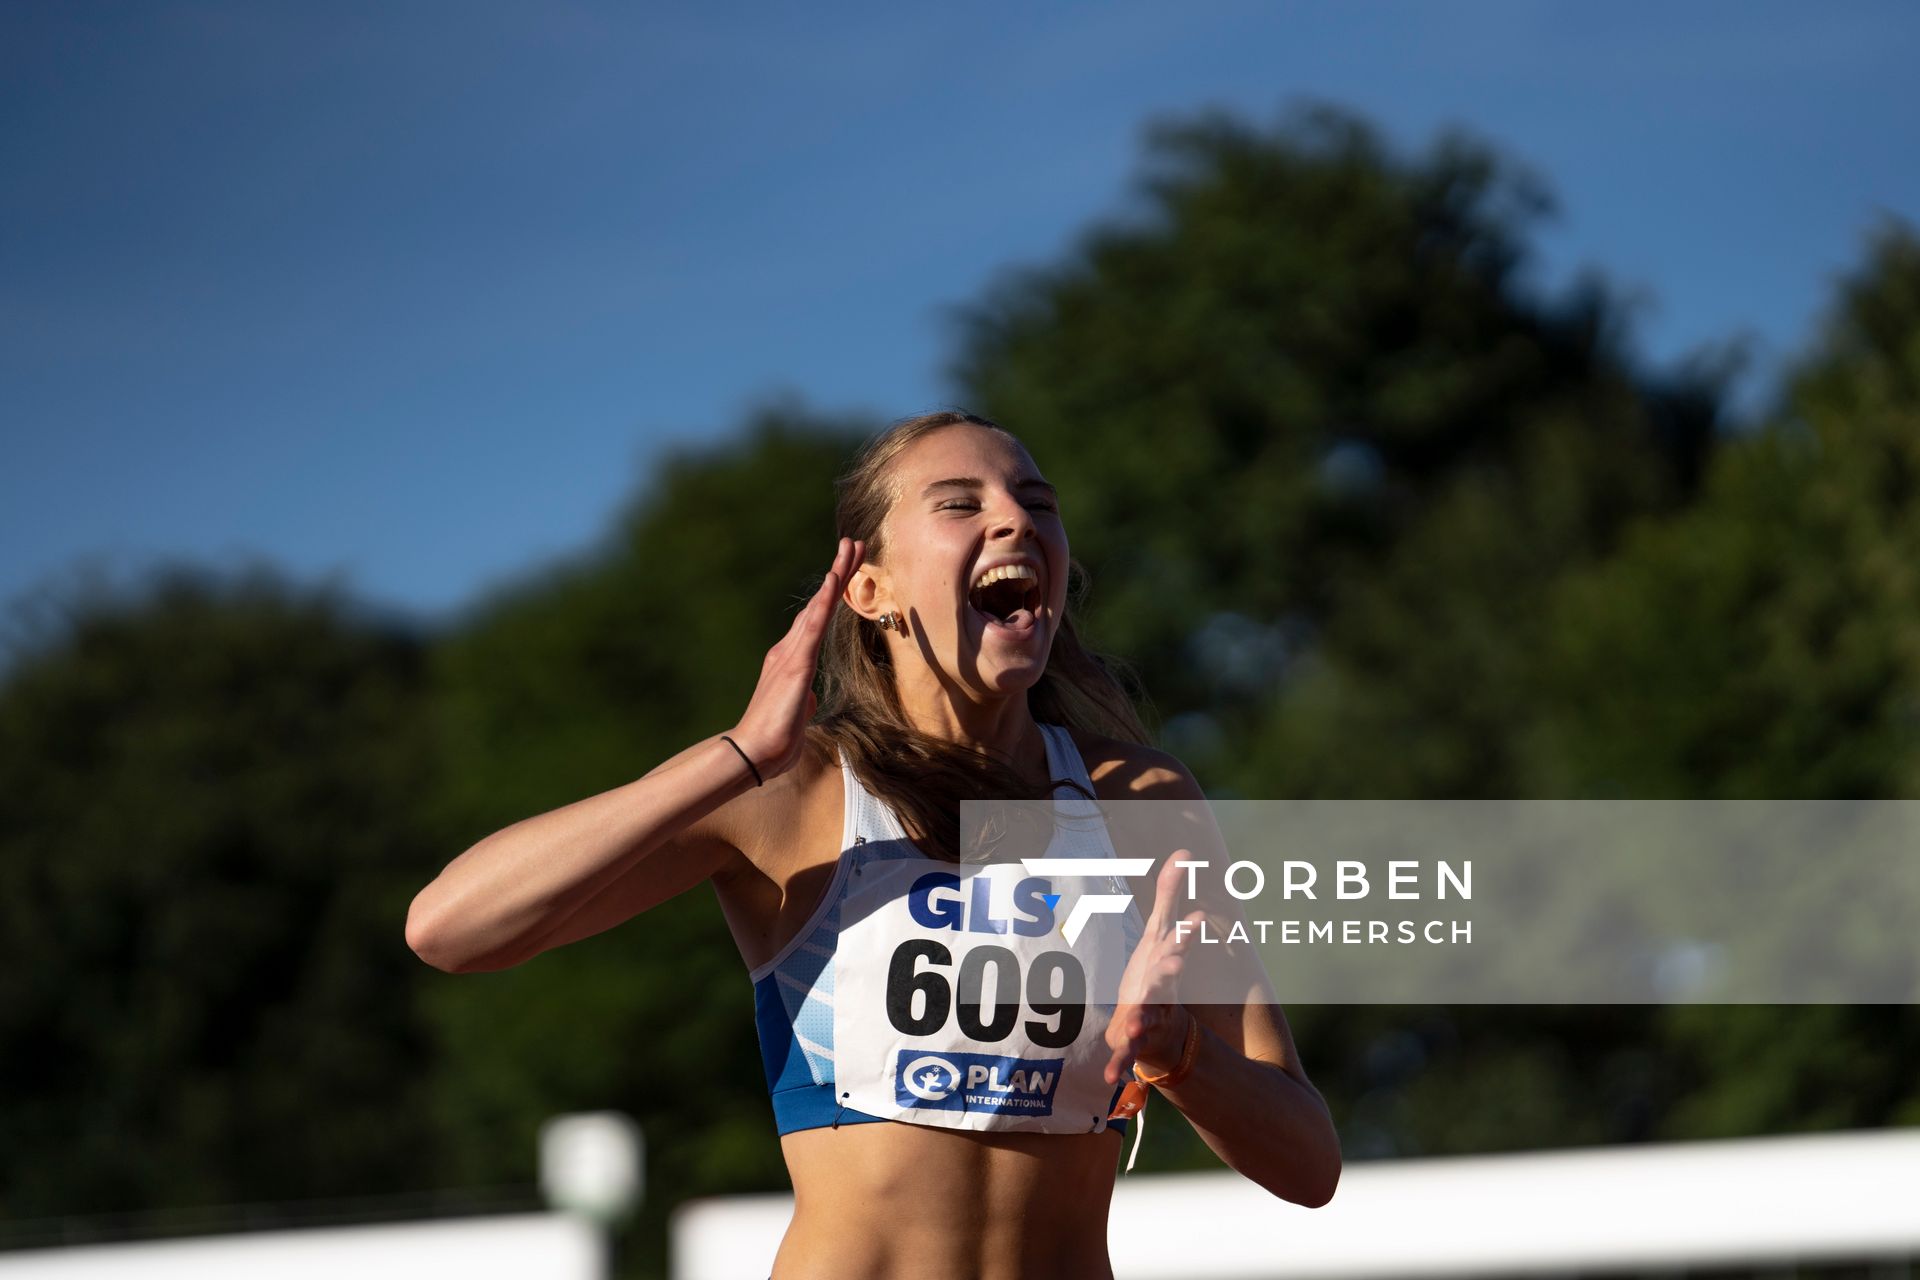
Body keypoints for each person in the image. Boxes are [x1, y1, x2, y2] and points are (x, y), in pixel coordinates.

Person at [406, 410, 1341, 1279]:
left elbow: (1308, 1164)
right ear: (870, 587)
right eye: (962, 504)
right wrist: (735, 756)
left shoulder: (1140, 798)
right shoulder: (795, 792)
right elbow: (451, 929)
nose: (1016, 520)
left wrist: (1179, 1053)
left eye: (1038, 503)